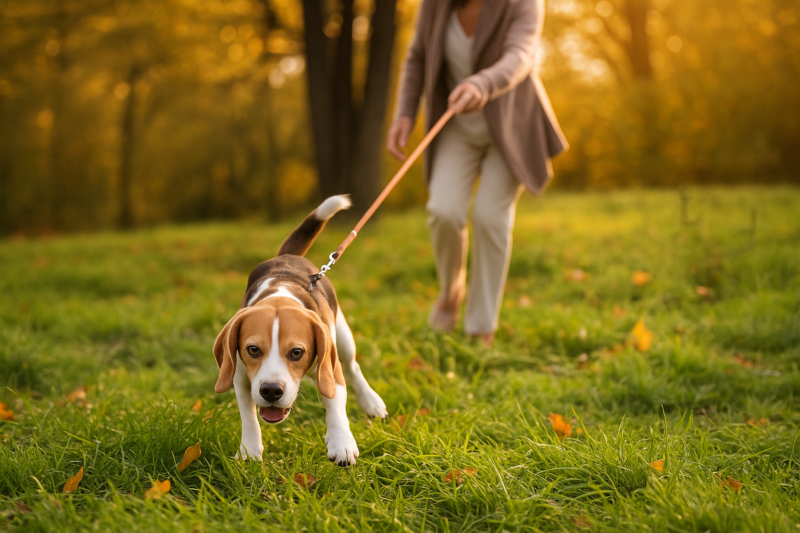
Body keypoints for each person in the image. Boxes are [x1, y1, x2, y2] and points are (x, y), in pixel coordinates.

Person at [387, 0, 568, 346]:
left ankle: (481, 325)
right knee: (443, 211)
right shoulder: (435, 4)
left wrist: (482, 84)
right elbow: (417, 57)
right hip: (456, 127)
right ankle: (451, 292)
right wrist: (405, 112)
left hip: (510, 130)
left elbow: (522, 55)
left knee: (490, 216)